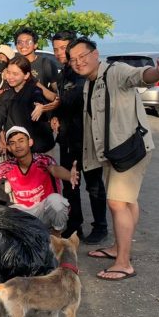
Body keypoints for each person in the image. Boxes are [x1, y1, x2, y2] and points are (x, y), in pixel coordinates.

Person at [68, 37, 159, 281]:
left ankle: (124, 263)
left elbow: (139, 75)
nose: (78, 62)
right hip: (113, 152)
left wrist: (158, 72)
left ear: (96, 54)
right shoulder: (89, 83)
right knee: (128, 202)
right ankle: (119, 248)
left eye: (82, 56)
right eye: (73, 59)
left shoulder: (115, 71)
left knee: (117, 203)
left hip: (130, 149)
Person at [50, 31, 106, 241]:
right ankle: (75, 225)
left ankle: (100, 227)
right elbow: (62, 101)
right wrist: (55, 114)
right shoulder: (62, 73)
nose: (59, 53)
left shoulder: (84, 72)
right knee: (70, 184)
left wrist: (57, 104)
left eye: (63, 48)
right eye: (55, 49)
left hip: (88, 139)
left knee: (93, 184)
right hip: (67, 138)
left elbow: (72, 100)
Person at [0, 54, 57, 154]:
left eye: (15, 74)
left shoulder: (34, 90)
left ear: (26, 75)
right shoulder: (7, 94)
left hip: (39, 149)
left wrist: (40, 106)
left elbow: (38, 97)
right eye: (8, 72)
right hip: (17, 150)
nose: (10, 77)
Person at [13, 27, 62, 95]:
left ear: (35, 45)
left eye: (28, 42)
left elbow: (56, 90)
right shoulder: (13, 64)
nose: (23, 45)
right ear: (16, 46)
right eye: (19, 42)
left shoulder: (46, 63)